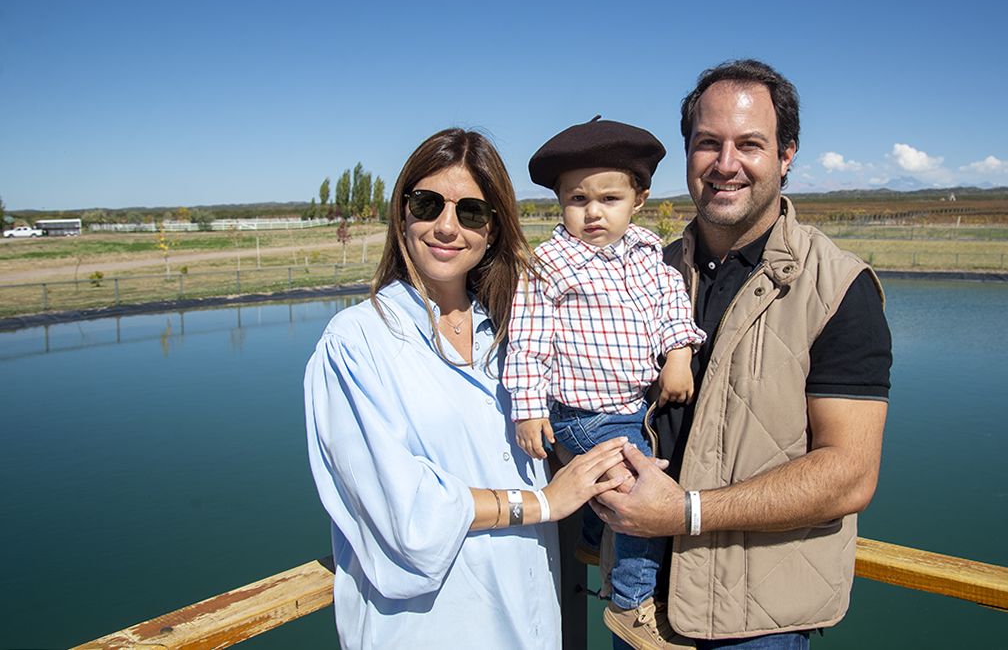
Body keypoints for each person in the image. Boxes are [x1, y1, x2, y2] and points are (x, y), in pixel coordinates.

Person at [592, 59, 893, 649]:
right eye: (708, 142)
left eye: (750, 144)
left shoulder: (838, 288)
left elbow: (849, 475)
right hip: (637, 604)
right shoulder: (643, 273)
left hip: (755, 626)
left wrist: (686, 513)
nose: (725, 164)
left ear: (786, 156)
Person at [304, 128, 632, 649]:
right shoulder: (357, 343)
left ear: (493, 229)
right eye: (427, 204)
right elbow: (404, 513)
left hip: (530, 626)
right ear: (402, 213)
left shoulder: (512, 332)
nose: (446, 226)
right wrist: (543, 503)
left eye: (472, 212)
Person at [504, 117, 706, 649]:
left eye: (609, 198)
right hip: (583, 414)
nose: (593, 212)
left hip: (632, 406)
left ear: (638, 199)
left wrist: (679, 355)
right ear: (560, 203)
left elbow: (672, 309)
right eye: (578, 199)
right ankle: (632, 603)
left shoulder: (649, 256)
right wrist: (529, 408)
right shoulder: (549, 265)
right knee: (641, 493)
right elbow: (527, 342)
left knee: (623, 485)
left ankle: (593, 540)